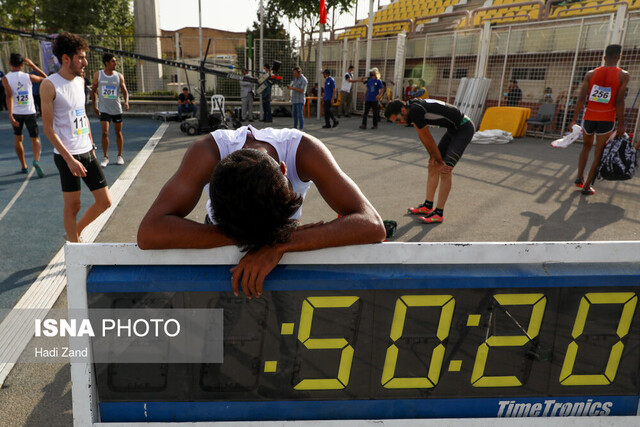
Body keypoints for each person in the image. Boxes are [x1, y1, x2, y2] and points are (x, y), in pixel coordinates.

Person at [137, 125, 386, 298]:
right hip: (231, 230)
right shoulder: (206, 153)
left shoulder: (304, 150)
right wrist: (262, 240)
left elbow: (371, 224)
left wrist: (279, 244)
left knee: (282, 314)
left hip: (275, 231)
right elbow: (149, 232)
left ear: (285, 169)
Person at [40, 32, 112, 242]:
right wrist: (70, 160)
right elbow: (48, 129)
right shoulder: (49, 85)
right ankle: (75, 246)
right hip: (66, 156)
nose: (85, 62)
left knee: (104, 201)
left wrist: (90, 142)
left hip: (87, 151)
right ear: (66, 58)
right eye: (80, 57)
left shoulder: (81, 82)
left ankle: (75, 231)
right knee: (73, 205)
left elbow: (82, 114)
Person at [384, 99, 475, 224]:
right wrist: (434, 158)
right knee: (432, 165)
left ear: (403, 110)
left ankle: (439, 213)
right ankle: (428, 206)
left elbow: (428, 138)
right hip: (453, 130)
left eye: (399, 119)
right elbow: (423, 137)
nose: (400, 123)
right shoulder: (412, 111)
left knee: (445, 169)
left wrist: (439, 160)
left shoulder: (415, 111)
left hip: (464, 129)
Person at [570, 44, 630, 196]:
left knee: (586, 147)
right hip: (606, 118)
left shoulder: (590, 74)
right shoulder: (623, 75)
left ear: (604, 57)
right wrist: (621, 125)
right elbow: (619, 102)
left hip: (589, 116)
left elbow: (581, 98)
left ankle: (579, 177)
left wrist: (574, 120)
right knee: (599, 152)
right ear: (618, 57)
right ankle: (587, 186)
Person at [1, 53, 47, 176]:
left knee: (18, 139)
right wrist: (33, 66)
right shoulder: (28, 76)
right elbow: (46, 78)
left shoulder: (6, 78)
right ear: (22, 64)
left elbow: (9, 95)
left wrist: (10, 115)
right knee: (35, 139)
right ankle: (36, 160)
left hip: (16, 112)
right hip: (30, 112)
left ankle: (24, 165)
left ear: (10, 64)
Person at [91, 52, 129, 168]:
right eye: (113, 61)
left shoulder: (119, 76)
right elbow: (93, 91)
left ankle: (119, 156)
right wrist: (94, 105)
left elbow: (124, 90)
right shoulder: (99, 75)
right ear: (107, 63)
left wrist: (126, 101)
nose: (115, 63)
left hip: (116, 109)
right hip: (104, 109)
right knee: (105, 132)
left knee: (118, 133)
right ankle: (105, 157)